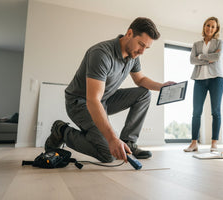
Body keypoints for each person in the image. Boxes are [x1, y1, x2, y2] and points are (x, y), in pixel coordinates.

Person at [45, 17, 174, 163]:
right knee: (109, 154)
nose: (142, 51)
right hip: (80, 102)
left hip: (105, 99)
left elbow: (140, 80)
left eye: (146, 48)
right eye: (141, 44)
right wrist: (112, 139)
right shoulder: (101, 54)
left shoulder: (133, 55)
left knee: (144, 93)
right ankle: (62, 131)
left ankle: (129, 143)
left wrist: (161, 86)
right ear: (129, 33)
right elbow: (93, 100)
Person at [184, 17, 223, 152]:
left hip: (216, 79)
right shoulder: (196, 44)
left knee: (216, 112)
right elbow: (192, 60)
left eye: (213, 26)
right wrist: (208, 58)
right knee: (196, 112)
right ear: (204, 26)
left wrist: (201, 57)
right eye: (208, 25)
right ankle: (194, 143)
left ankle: (214, 143)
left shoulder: (219, 42)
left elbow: (217, 58)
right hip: (199, 80)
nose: (210, 28)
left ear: (216, 29)